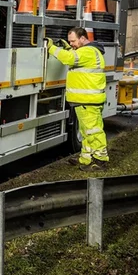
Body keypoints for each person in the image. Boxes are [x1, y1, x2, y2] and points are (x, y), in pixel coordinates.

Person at [46, 27, 109, 170]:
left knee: (93, 131)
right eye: (70, 42)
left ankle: (100, 160)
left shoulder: (88, 51)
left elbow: (69, 59)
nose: (71, 44)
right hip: (86, 100)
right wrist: (70, 48)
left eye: (73, 41)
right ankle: (86, 158)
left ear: (83, 38)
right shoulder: (88, 51)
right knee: (87, 132)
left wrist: (51, 47)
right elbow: (75, 57)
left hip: (88, 101)